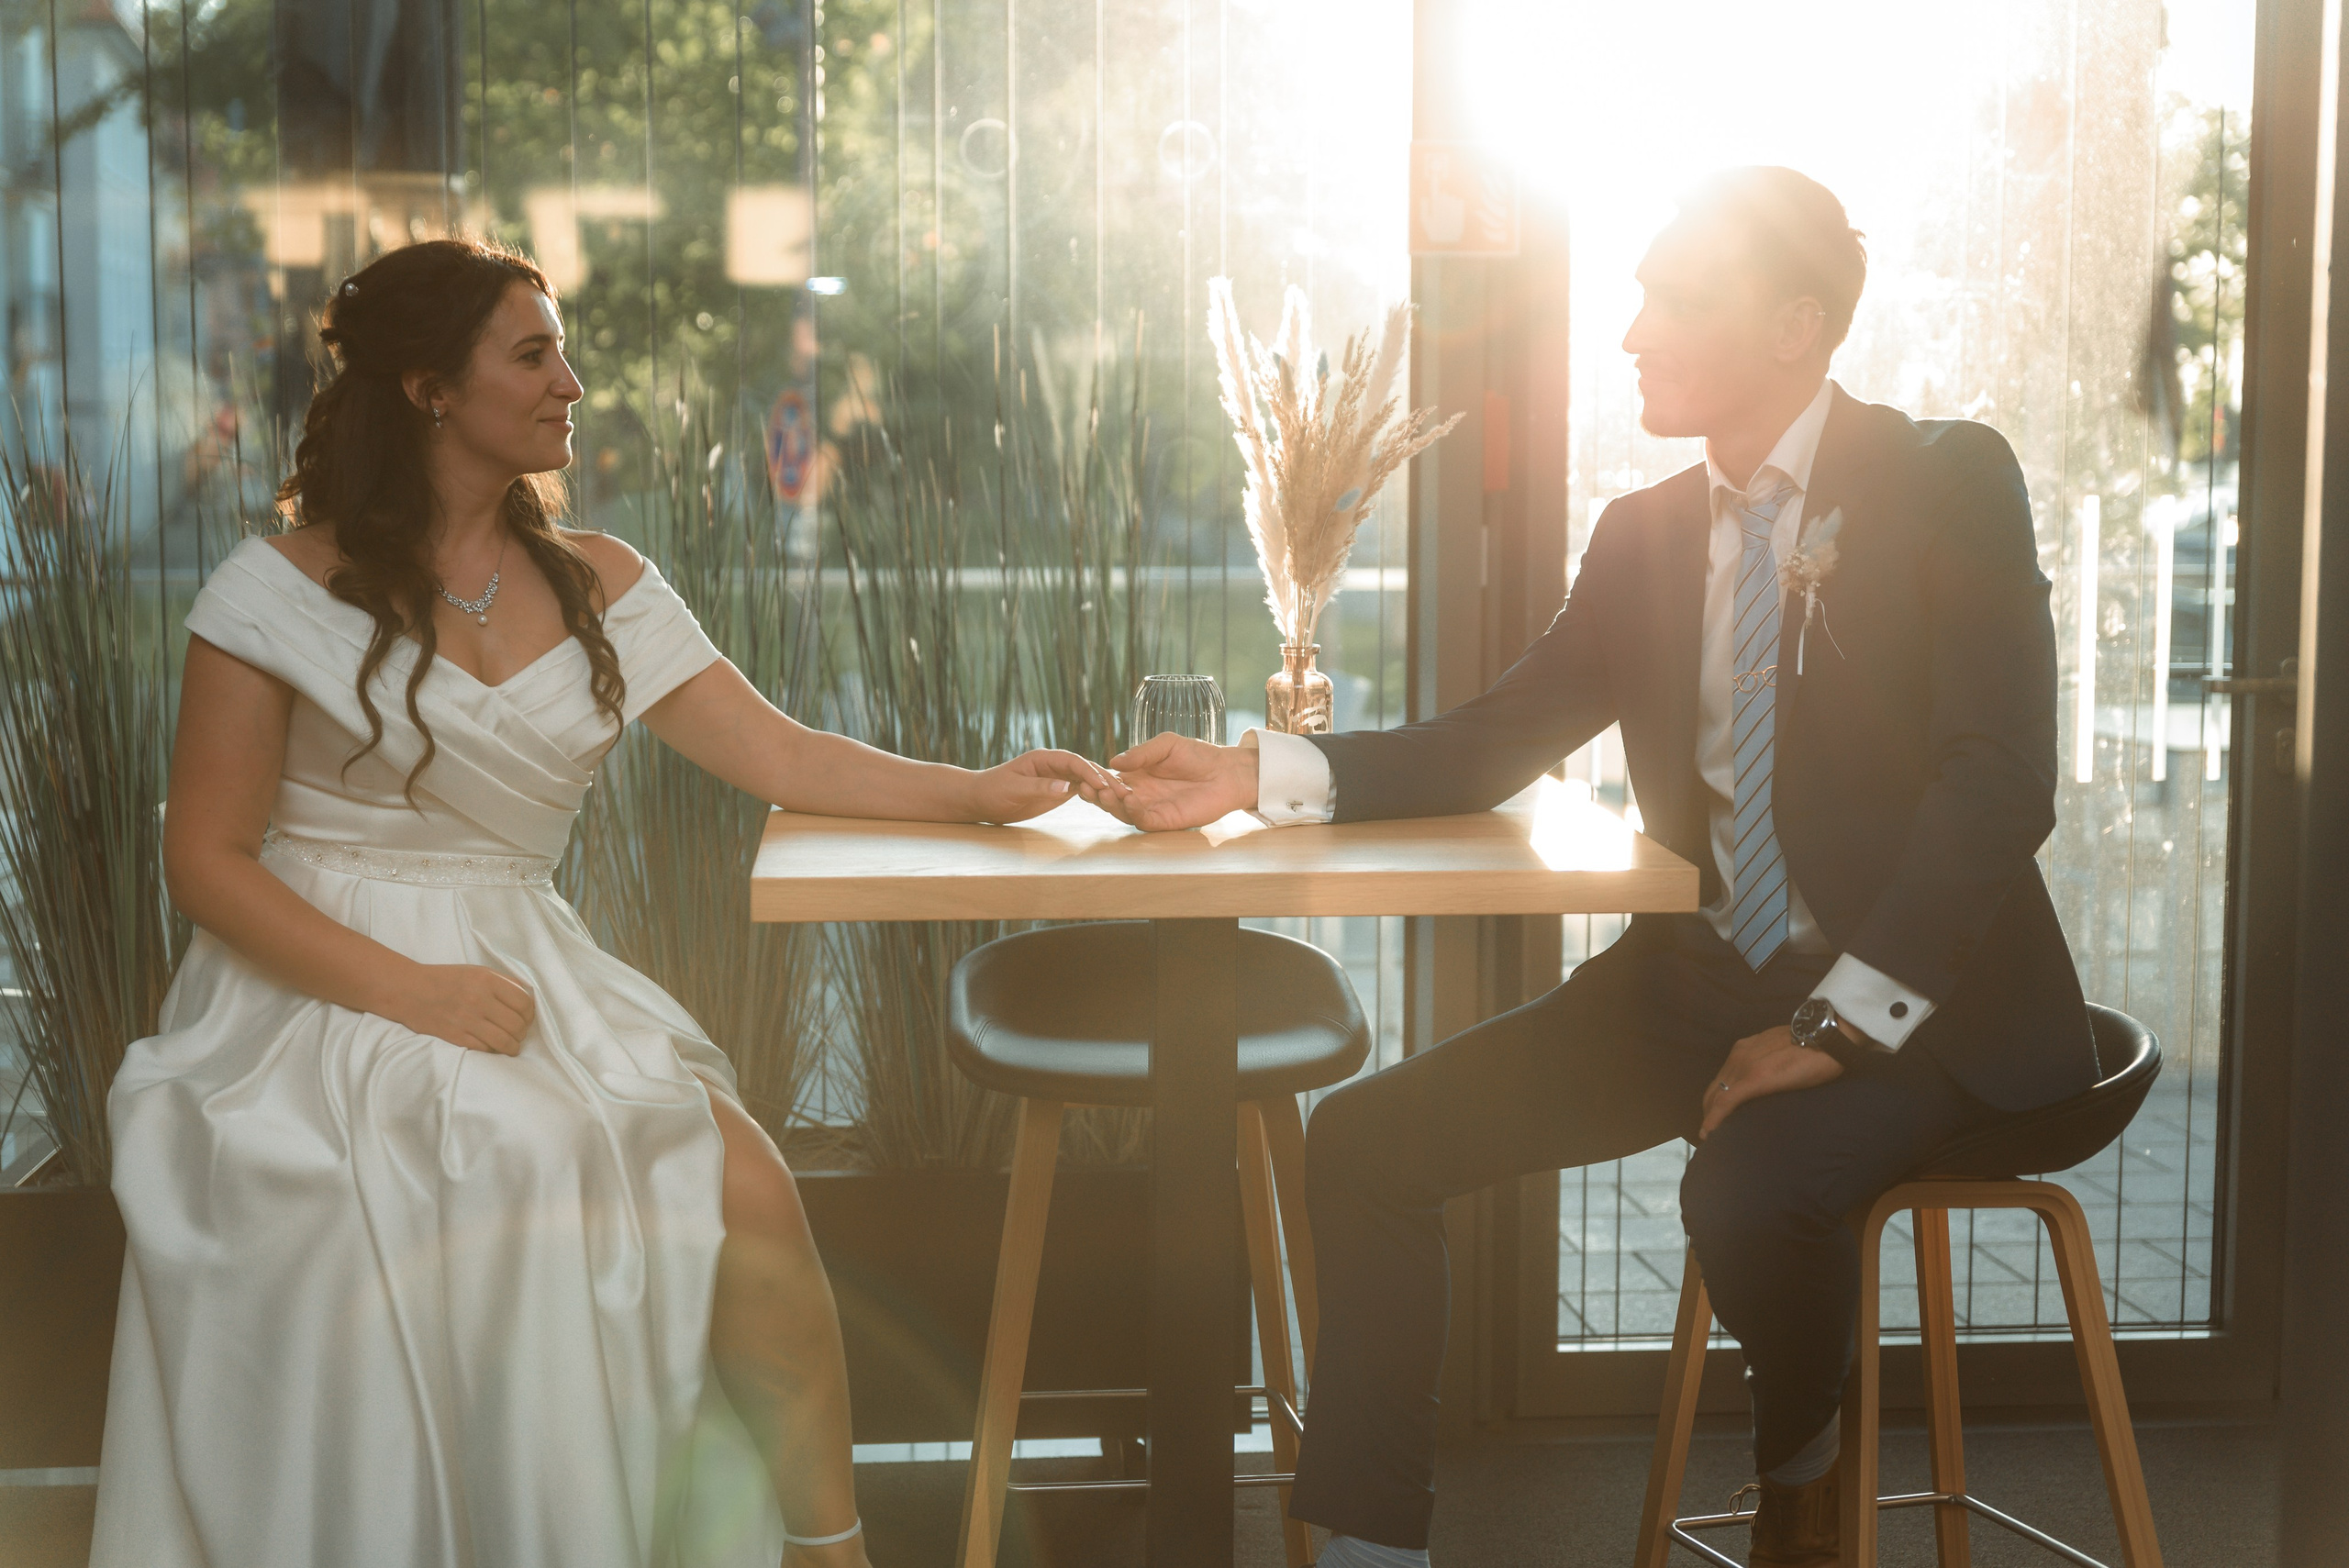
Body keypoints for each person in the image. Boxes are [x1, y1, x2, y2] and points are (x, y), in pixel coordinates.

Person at [1087, 167, 2098, 1568]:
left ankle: (1804, 1469)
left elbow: (1998, 782)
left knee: (1744, 1187)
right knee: (1368, 1144)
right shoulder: (1644, 536)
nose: (1632, 330)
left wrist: (1834, 1021)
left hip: (1920, 1003)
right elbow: (1499, 738)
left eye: (1675, 298)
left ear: (1799, 325)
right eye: (1636, 296)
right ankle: (1378, 1552)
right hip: (1698, 982)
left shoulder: (1948, 480)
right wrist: (1256, 773)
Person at [88, 236, 1109, 1568]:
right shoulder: (274, 589)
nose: (569, 380)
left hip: (520, 956)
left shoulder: (601, 578)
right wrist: (417, 991)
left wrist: (980, 789)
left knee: (748, 1180)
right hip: (320, 980)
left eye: (561, 349)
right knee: (523, 1160)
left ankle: (830, 1548)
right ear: (428, 389)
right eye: (533, 352)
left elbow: (785, 752)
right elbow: (207, 860)